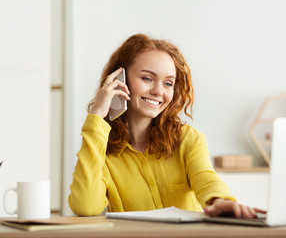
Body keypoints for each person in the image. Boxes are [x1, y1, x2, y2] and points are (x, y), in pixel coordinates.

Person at [68, 34, 264, 218]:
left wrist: (219, 201)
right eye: (147, 78)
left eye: (168, 83)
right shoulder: (101, 149)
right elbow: (86, 206)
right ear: (119, 80)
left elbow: (206, 178)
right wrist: (97, 117)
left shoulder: (188, 139)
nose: (158, 91)